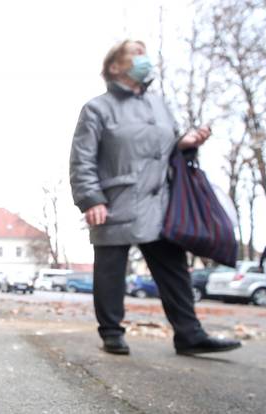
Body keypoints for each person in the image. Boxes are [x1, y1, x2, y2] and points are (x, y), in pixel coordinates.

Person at [69, 40, 241, 356]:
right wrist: (91, 198)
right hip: (115, 201)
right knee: (111, 272)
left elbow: (166, 149)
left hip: (161, 202)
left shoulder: (159, 105)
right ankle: (111, 332)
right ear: (115, 67)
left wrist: (184, 143)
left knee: (174, 271)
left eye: (145, 53)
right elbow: (82, 158)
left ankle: (189, 335)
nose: (144, 59)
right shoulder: (97, 108)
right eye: (136, 53)